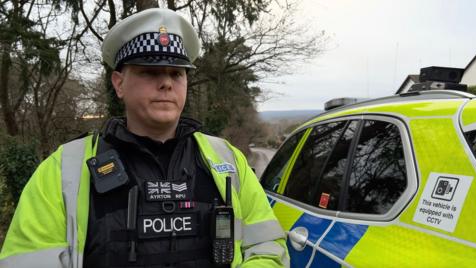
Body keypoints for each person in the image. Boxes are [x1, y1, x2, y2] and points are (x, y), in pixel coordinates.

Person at [0, 8, 289, 268]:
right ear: (119, 83)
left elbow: (268, 249)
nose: (166, 82)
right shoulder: (64, 170)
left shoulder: (228, 160)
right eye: (150, 71)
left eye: (177, 73)